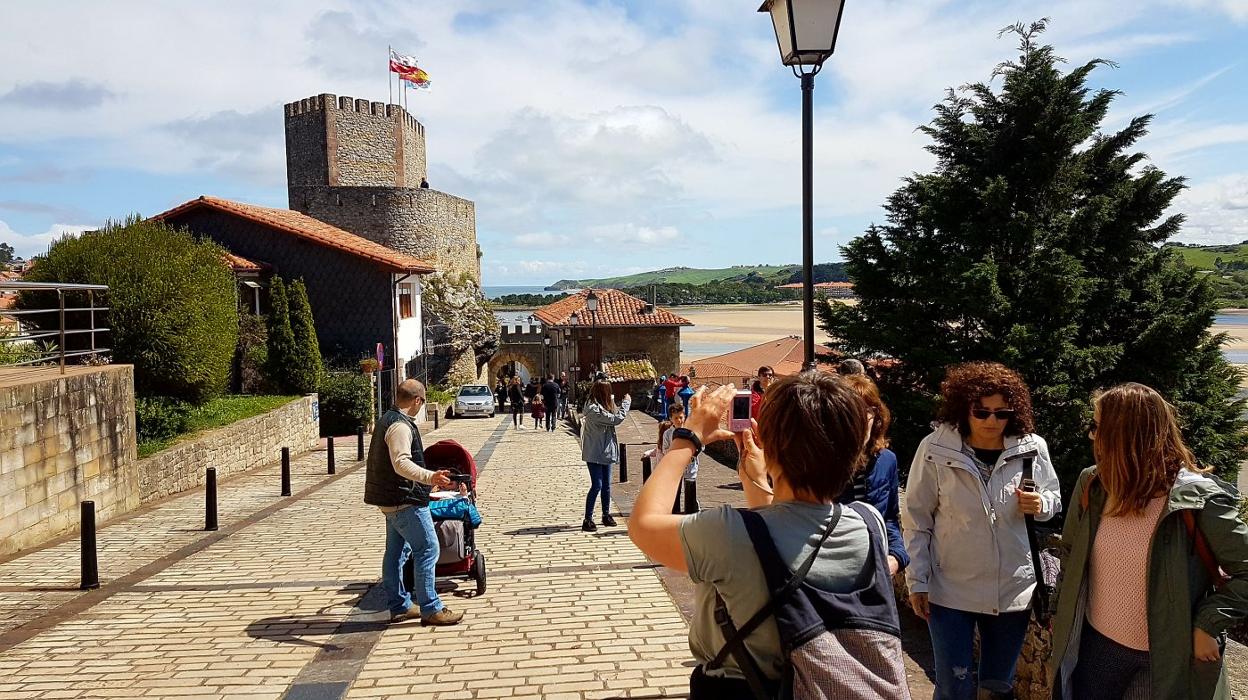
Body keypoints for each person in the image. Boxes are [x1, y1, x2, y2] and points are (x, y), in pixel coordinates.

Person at [628, 377, 908, 697]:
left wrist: (686, 438)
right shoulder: (869, 525)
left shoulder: (726, 534)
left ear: (770, 443)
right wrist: (758, 479)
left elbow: (643, 525)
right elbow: (789, 542)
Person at [1049, 383, 1248, 699]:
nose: (1091, 436)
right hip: (1094, 649)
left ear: (1126, 436)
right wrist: (1059, 613)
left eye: (1097, 427)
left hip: (1161, 661)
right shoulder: (1094, 484)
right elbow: (1071, 554)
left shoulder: (1199, 500)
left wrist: (1208, 623)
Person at [903, 361, 1061, 700]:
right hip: (950, 590)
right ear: (964, 408)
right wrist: (918, 580)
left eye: (1001, 413)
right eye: (981, 411)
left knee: (997, 688)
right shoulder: (935, 449)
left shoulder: (1032, 448)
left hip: (1012, 591)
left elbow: (1053, 499)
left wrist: (1041, 505)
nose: (991, 421)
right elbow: (917, 518)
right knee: (954, 688)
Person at [363, 379, 464, 626]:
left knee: (397, 552)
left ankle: (400, 605)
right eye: (422, 402)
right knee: (428, 548)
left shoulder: (387, 418)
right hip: (403, 499)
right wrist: (431, 477)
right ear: (417, 400)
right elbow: (401, 463)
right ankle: (431, 608)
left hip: (390, 498)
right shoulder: (400, 426)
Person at [839, 374, 908, 575]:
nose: (859, 421)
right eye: (850, 412)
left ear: (876, 416)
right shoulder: (821, 461)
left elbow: (889, 519)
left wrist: (896, 556)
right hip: (832, 574)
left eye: (866, 412)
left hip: (876, 572)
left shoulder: (886, 460)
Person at [579, 380, 630, 532]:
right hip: (595, 453)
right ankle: (587, 518)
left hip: (605, 451)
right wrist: (626, 403)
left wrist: (613, 402)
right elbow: (614, 420)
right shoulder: (594, 410)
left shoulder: (601, 405)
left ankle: (606, 515)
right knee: (597, 485)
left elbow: (611, 415)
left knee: (607, 486)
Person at [662, 403, 699, 513]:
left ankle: (692, 512)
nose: (679, 420)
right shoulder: (668, 434)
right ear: (671, 419)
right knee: (674, 492)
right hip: (675, 467)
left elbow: (700, 446)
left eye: (681, 417)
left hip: (690, 466)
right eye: (676, 418)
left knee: (691, 491)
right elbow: (665, 449)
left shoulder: (691, 431)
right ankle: (675, 512)